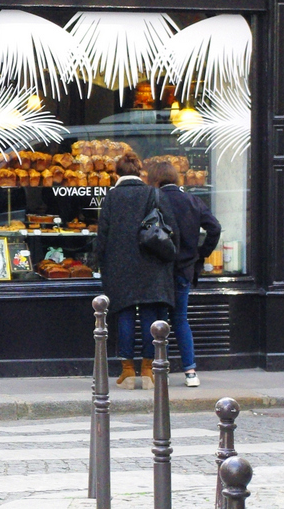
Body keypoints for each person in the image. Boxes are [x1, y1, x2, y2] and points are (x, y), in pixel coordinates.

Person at [94, 151, 175, 389]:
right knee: (151, 316)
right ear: (140, 172)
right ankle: (148, 372)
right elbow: (170, 228)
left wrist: (101, 263)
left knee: (125, 316)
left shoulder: (112, 197)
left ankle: (128, 372)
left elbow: (103, 235)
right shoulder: (153, 193)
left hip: (120, 267)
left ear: (116, 173)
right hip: (152, 265)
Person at [148, 160, 222, 388]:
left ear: (156, 179)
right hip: (184, 268)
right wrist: (201, 253)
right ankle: (190, 372)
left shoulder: (154, 200)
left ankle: (163, 369)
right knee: (180, 318)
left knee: (160, 320)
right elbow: (215, 228)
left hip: (159, 267)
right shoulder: (192, 200)